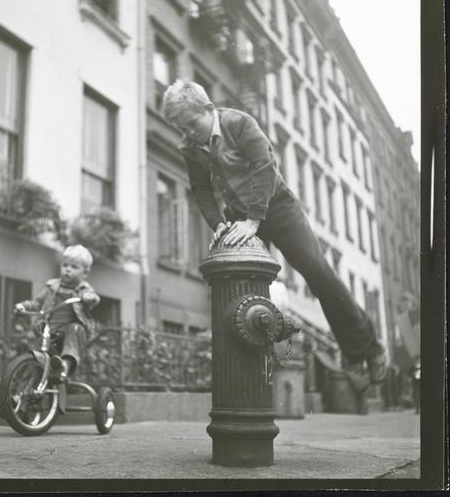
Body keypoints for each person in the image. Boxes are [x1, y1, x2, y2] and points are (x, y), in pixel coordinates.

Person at [162, 80, 388, 385]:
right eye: (182, 128)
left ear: (208, 109)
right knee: (240, 283)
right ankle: (250, 374)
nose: (189, 133)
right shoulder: (190, 147)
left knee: (318, 273)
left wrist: (254, 220)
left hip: (277, 207)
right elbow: (201, 189)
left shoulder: (238, 123)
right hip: (239, 214)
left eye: (192, 123)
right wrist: (218, 223)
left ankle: (368, 350)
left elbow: (265, 166)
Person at [15, 244, 100, 381]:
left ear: (85, 273)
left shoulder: (84, 289)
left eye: (74, 267)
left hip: (69, 334)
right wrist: (23, 306)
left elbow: (93, 298)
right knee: (35, 346)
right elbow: (37, 303)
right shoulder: (52, 286)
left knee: (76, 329)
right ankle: (24, 381)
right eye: (65, 265)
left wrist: (88, 298)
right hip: (50, 331)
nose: (68, 269)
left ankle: (65, 364)